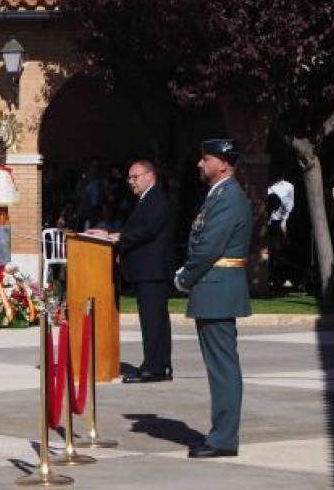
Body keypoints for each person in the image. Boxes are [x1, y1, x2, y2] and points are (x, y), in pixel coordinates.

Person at [175, 139, 252, 459]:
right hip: (215, 286)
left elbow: (209, 247)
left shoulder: (228, 197)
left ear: (222, 164)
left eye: (204, 159)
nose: (199, 164)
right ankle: (222, 434)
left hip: (217, 286)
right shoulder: (220, 195)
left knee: (222, 368)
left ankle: (223, 438)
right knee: (220, 366)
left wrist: (184, 276)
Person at [88, 159, 173, 383]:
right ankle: (159, 364)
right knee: (155, 321)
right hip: (147, 271)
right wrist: (111, 234)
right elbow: (139, 229)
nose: (131, 182)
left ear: (150, 176)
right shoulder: (145, 200)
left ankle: (154, 368)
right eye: (129, 178)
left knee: (153, 321)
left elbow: (148, 231)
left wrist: (118, 238)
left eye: (135, 177)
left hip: (152, 271)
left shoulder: (156, 198)